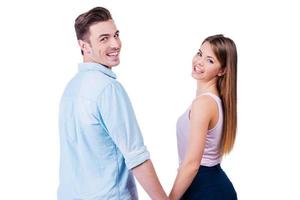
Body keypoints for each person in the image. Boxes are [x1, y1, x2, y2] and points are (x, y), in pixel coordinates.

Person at [58, 7, 169, 200]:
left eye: (116, 35)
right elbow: (137, 158)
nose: (115, 43)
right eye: (104, 38)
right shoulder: (108, 89)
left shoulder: (71, 88)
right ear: (84, 46)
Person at [169, 34, 238, 200]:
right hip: (206, 186)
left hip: (204, 189)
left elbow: (192, 164)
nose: (199, 62)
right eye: (200, 54)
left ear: (222, 70)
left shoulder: (204, 104)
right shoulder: (213, 101)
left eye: (210, 60)